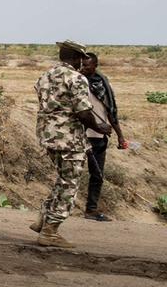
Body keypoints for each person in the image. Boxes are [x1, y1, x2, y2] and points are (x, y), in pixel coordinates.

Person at [31, 40, 111, 248]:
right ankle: (51, 230)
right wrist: (100, 127)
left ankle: (44, 216)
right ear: (77, 58)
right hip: (69, 138)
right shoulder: (77, 78)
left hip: (48, 136)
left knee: (63, 178)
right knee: (70, 184)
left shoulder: (45, 76)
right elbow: (83, 112)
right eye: (81, 58)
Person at [80, 52, 126, 222]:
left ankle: (91, 209)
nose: (83, 68)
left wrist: (120, 136)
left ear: (95, 66)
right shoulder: (77, 84)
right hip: (79, 135)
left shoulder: (103, 85)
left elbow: (111, 111)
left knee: (97, 175)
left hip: (98, 137)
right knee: (73, 174)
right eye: (82, 65)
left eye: (87, 65)